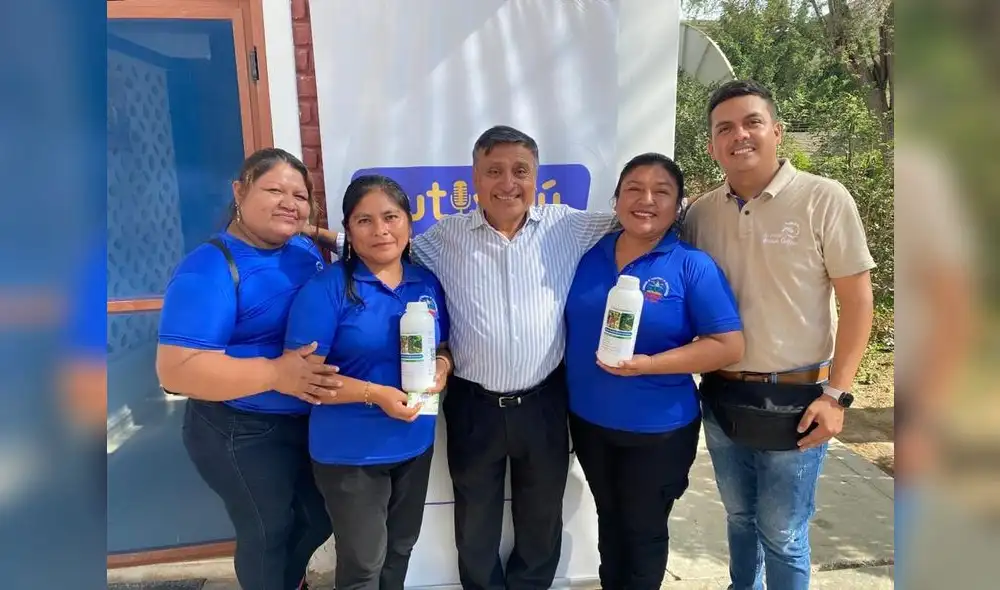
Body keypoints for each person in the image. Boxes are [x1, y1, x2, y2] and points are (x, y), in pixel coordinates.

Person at [309, 125, 618, 590]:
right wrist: (310, 232)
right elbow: (384, 243)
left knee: (540, 517)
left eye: (520, 171)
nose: (508, 183)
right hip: (474, 406)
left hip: (545, 402)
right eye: (494, 171)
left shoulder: (568, 225)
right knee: (475, 521)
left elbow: (637, 219)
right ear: (474, 177)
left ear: (537, 177)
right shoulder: (442, 238)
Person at [684, 80, 875, 590]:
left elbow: (858, 304)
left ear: (776, 132)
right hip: (722, 396)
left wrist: (837, 395)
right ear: (712, 145)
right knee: (740, 520)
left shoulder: (823, 199)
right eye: (724, 128)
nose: (739, 135)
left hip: (798, 399)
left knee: (784, 532)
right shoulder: (700, 215)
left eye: (752, 123)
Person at [156, 148, 338, 590]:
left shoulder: (299, 246)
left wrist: (329, 235)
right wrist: (276, 374)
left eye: (299, 195)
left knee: (319, 519)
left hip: (301, 421)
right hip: (238, 430)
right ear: (240, 191)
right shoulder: (209, 268)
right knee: (268, 531)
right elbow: (175, 370)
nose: (288, 202)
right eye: (273, 190)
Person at [564, 152, 744, 590]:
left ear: (679, 205)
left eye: (661, 192)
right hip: (589, 422)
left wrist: (649, 365)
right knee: (610, 522)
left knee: (643, 533)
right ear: (616, 199)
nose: (646, 200)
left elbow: (728, 346)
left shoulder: (690, 265)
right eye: (634, 190)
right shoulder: (589, 255)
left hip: (658, 431)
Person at [284, 175, 452, 590]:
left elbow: (444, 345)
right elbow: (299, 378)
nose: (380, 230)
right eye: (365, 221)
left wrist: (444, 367)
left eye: (391, 217)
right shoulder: (327, 290)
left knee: (400, 550)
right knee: (363, 564)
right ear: (349, 230)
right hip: (350, 453)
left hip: (414, 442)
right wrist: (375, 395)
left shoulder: (425, 283)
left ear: (409, 224)